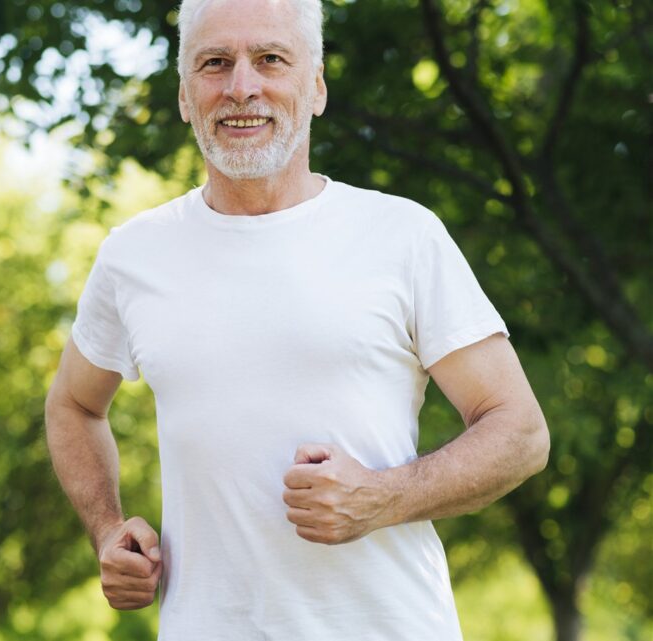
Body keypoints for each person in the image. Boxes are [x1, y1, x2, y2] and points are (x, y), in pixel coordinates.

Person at [43, 0, 550, 638]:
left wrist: (381, 497)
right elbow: (74, 406)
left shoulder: (402, 235)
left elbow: (521, 433)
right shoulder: (132, 255)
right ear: (182, 94)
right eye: (215, 63)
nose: (241, 87)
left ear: (315, 88)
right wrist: (108, 529)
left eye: (271, 60)